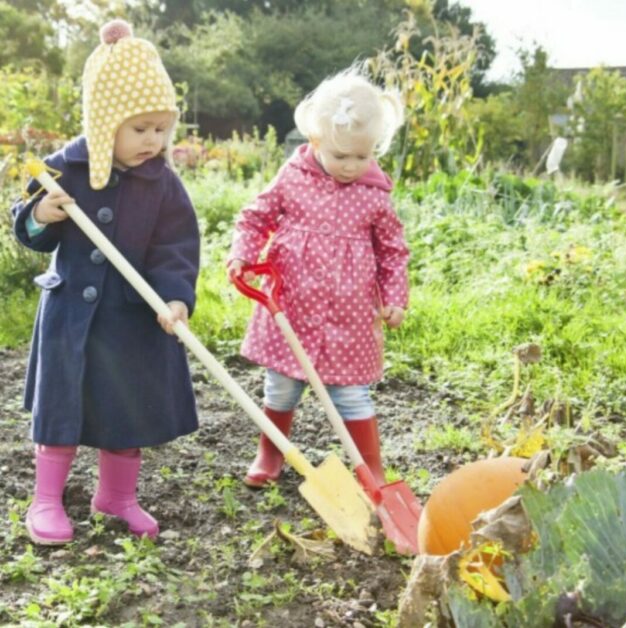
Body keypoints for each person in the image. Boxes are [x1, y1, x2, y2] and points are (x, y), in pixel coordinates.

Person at [12, 19, 200, 544]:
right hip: (72, 314)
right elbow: (27, 230)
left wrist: (175, 298)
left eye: (163, 128)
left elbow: (176, 249)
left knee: (126, 408)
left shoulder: (162, 184)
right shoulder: (61, 171)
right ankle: (47, 499)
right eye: (140, 128)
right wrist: (41, 216)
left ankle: (116, 496)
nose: (154, 140)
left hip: (131, 319)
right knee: (62, 406)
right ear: (104, 122)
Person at [226, 67, 409, 488]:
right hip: (290, 306)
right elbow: (255, 219)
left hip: (349, 319)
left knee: (351, 394)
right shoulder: (293, 178)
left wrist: (395, 298)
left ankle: (371, 470)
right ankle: (270, 454)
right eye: (341, 156)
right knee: (283, 389)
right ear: (315, 143)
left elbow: (393, 251)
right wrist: (242, 255)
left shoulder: (374, 194)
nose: (352, 167)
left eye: (362, 157)